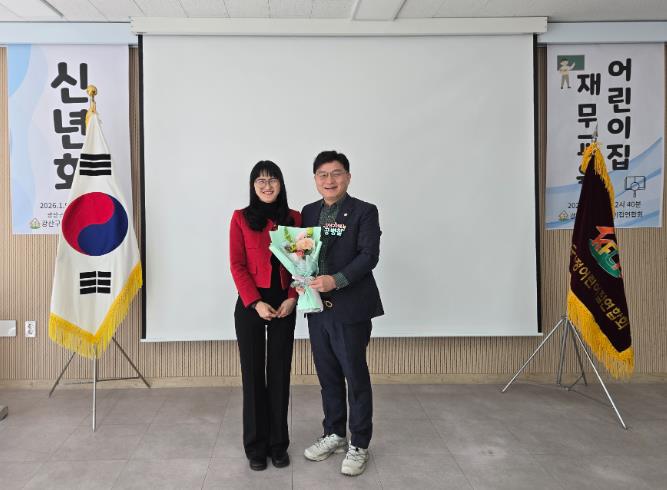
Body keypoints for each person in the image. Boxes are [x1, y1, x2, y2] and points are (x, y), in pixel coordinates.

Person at [301, 150, 383, 476]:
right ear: (315, 179)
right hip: (317, 309)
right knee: (328, 376)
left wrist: (335, 280)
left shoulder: (364, 211)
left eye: (336, 173)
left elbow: (368, 256)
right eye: (323, 174)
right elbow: (301, 253)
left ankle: (359, 443)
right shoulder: (308, 212)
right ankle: (334, 433)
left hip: (350, 309)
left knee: (355, 376)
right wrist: (300, 279)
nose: (329, 180)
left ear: (348, 177)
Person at [229, 160, 301, 471]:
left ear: (281, 184)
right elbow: (237, 265)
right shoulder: (240, 218)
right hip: (251, 304)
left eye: (272, 180)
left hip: (285, 302)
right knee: (254, 374)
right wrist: (256, 302)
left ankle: (278, 444)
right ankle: (256, 446)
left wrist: (292, 298)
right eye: (260, 180)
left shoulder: (295, 218)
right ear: (253, 186)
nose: (267, 185)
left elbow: (304, 264)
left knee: (280, 373)